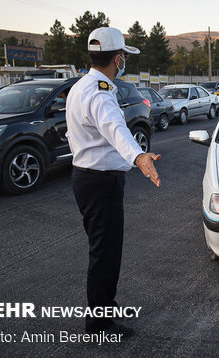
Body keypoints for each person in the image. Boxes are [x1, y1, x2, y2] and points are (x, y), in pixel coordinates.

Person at [65, 26, 161, 336]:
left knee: (102, 250)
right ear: (117, 59)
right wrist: (138, 156)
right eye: (124, 58)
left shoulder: (81, 86)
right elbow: (115, 129)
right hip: (100, 183)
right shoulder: (101, 93)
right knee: (106, 253)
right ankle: (99, 323)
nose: (124, 63)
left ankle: (103, 304)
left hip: (86, 178)